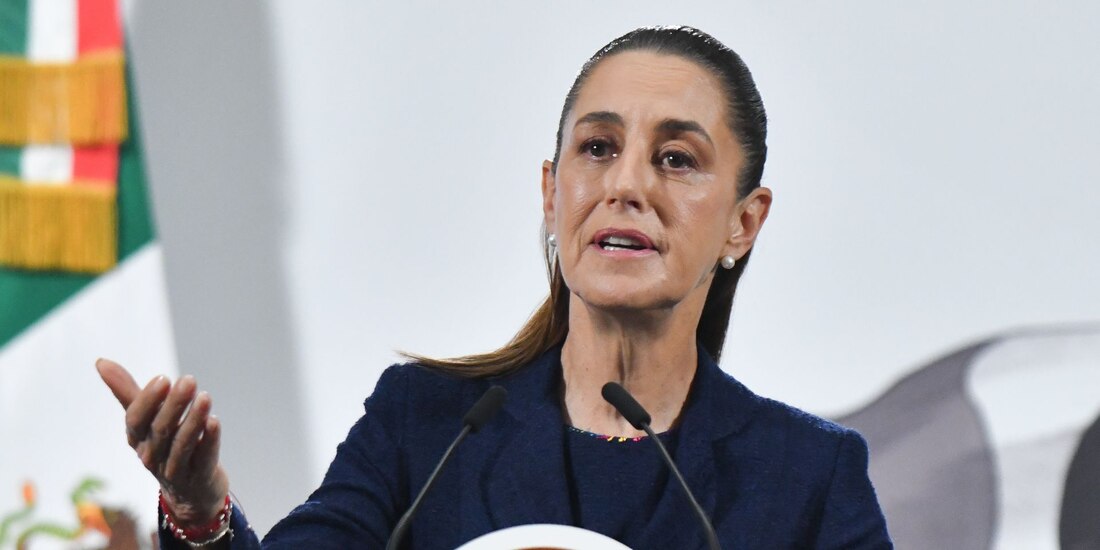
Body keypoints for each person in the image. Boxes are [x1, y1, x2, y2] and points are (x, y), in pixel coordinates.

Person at [97, 26, 892, 549]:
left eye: (676, 159)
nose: (627, 186)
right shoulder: (427, 424)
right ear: (552, 192)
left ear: (743, 224)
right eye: (598, 148)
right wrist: (201, 512)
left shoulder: (807, 477)